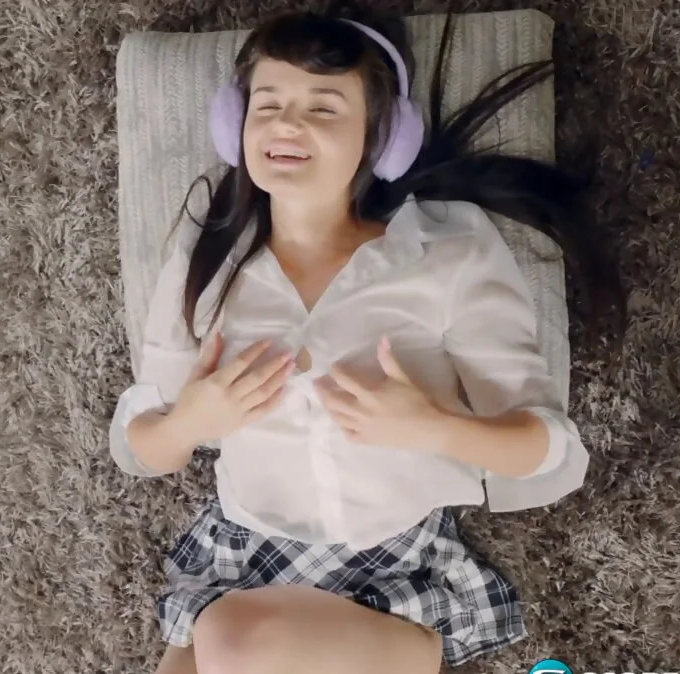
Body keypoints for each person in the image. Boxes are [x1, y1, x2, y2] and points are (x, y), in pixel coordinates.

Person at [108, 7, 625, 674]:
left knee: (235, 640)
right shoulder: (206, 256)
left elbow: (551, 451)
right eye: (268, 104)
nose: (288, 124)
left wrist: (433, 426)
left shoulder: (447, 249)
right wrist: (190, 422)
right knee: (229, 639)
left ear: (382, 138)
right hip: (246, 557)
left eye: (324, 108)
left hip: (392, 568)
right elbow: (140, 446)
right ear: (234, 126)